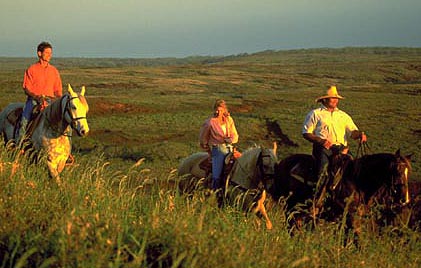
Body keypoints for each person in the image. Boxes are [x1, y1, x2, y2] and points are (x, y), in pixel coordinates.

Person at [302, 85, 367, 210]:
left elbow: (352, 132)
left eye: (336, 98)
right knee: (323, 174)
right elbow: (306, 132)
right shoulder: (315, 114)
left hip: (342, 149)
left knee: (355, 172)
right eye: (332, 98)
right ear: (325, 100)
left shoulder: (343, 115)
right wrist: (320, 140)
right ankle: (317, 202)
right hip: (323, 149)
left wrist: (359, 135)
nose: (335, 100)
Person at [17, 41, 62, 143]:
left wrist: (58, 100)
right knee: (24, 120)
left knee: (65, 120)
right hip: (34, 101)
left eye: (50, 53)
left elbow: (58, 90)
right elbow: (26, 88)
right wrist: (37, 97)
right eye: (47, 53)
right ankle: (19, 145)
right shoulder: (31, 69)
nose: (49, 55)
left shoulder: (54, 71)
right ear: (39, 53)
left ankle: (67, 151)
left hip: (50, 101)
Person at [199, 99, 239, 190]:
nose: (218, 112)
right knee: (217, 175)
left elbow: (235, 135)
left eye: (220, 110)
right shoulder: (210, 123)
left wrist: (230, 140)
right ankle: (214, 192)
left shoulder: (229, 120)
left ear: (224, 110)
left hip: (230, 148)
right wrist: (208, 151)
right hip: (218, 149)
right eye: (216, 110)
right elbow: (203, 139)